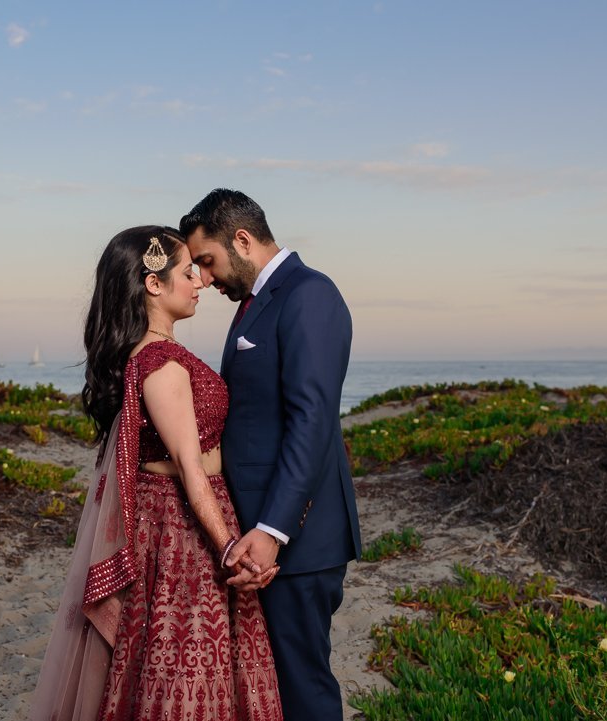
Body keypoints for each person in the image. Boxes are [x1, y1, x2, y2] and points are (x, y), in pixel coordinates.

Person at [27, 226, 283, 721]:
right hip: (181, 528)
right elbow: (190, 466)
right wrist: (229, 546)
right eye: (188, 273)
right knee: (186, 663)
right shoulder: (160, 363)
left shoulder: (156, 357)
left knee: (179, 659)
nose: (200, 283)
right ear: (153, 285)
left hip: (180, 515)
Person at [179, 190, 362, 720]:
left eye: (207, 261)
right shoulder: (256, 304)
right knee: (275, 688)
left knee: (301, 687)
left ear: (242, 239)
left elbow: (312, 418)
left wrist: (274, 529)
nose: (206, 278)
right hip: (263, 532)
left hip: (298, 540)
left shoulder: (309, 294)